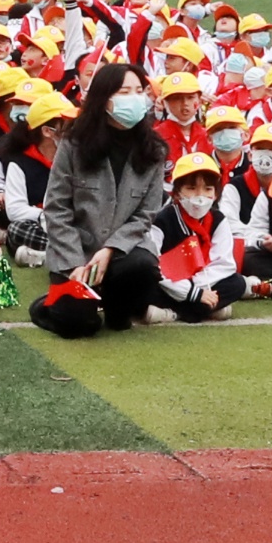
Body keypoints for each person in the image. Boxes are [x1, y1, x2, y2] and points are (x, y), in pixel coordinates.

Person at [29, 61, 168, 338]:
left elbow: (146, 213)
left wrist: (111, 249)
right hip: (77, 253)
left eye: (139, 90)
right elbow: (56, 208)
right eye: (124, 91)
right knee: (78, 325)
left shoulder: (153, 149)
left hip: (122, 254)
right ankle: (49, 304)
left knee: (142, 267)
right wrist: (74, 264)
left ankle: (117, 306)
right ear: (104, 98)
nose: (135, 98)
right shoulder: (74, 143)